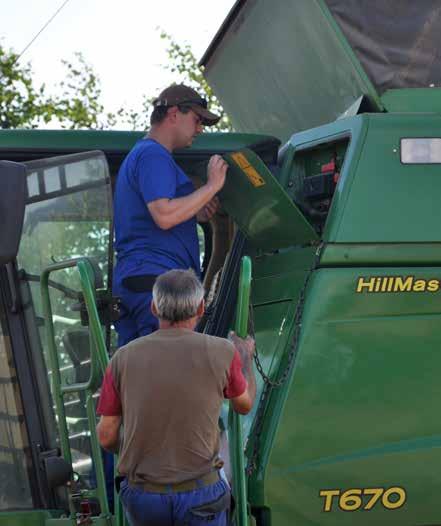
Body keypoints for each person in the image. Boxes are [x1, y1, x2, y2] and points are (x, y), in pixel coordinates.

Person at [96, 269, 256, 526]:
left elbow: (106, 435)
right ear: (201, 308)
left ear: (153, 308)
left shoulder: (122, 358)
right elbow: (245, 405)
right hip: (201, 497)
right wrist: (245, 356)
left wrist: (134, 451)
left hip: (144, 498)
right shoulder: (223, 352)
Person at [113, 84, 228, 347]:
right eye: (197, 120)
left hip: (140, 283)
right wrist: (211, 186)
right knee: (172, 374)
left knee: (136, 378)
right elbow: (164, 215)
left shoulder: (141, 155)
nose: (200, 129)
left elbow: (155, 217)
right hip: (158, 285)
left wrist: (192, 213)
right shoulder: (154, 155)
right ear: (174, 114)